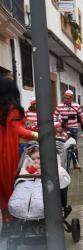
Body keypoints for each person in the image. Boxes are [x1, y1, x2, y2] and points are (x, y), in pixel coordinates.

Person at [0, 78, 37, 236]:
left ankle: (6, 221)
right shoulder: (11, 110)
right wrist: (36, 135)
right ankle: (11, 221)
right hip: (5, 154)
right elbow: (18, 131)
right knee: (9, 186)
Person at [53, 90, 83, 169]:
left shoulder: (76, 106)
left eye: (69, 98)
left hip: (74, 128)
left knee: (74, 145)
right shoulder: (59, 106)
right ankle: (62, 163)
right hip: (63, 128)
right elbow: (54, 116)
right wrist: (56, 125)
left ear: (72, 98)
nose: (67, 99)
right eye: (66, 98)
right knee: (62, 145)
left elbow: (82, 116)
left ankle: (75, 163)